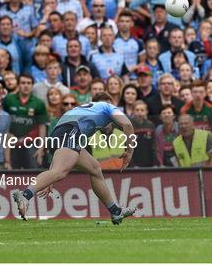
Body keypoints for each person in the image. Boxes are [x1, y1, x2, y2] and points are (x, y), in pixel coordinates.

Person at [12, 92, 137, 225]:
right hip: (72, 132)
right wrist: (129, 151)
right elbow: (127, 125)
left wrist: (49, 178)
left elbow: (60, 136)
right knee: (60, 172)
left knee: (94, 168)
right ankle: (25, 195)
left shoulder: (85, 109)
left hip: (61, 133)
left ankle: (115, 211)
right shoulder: (109, 107)